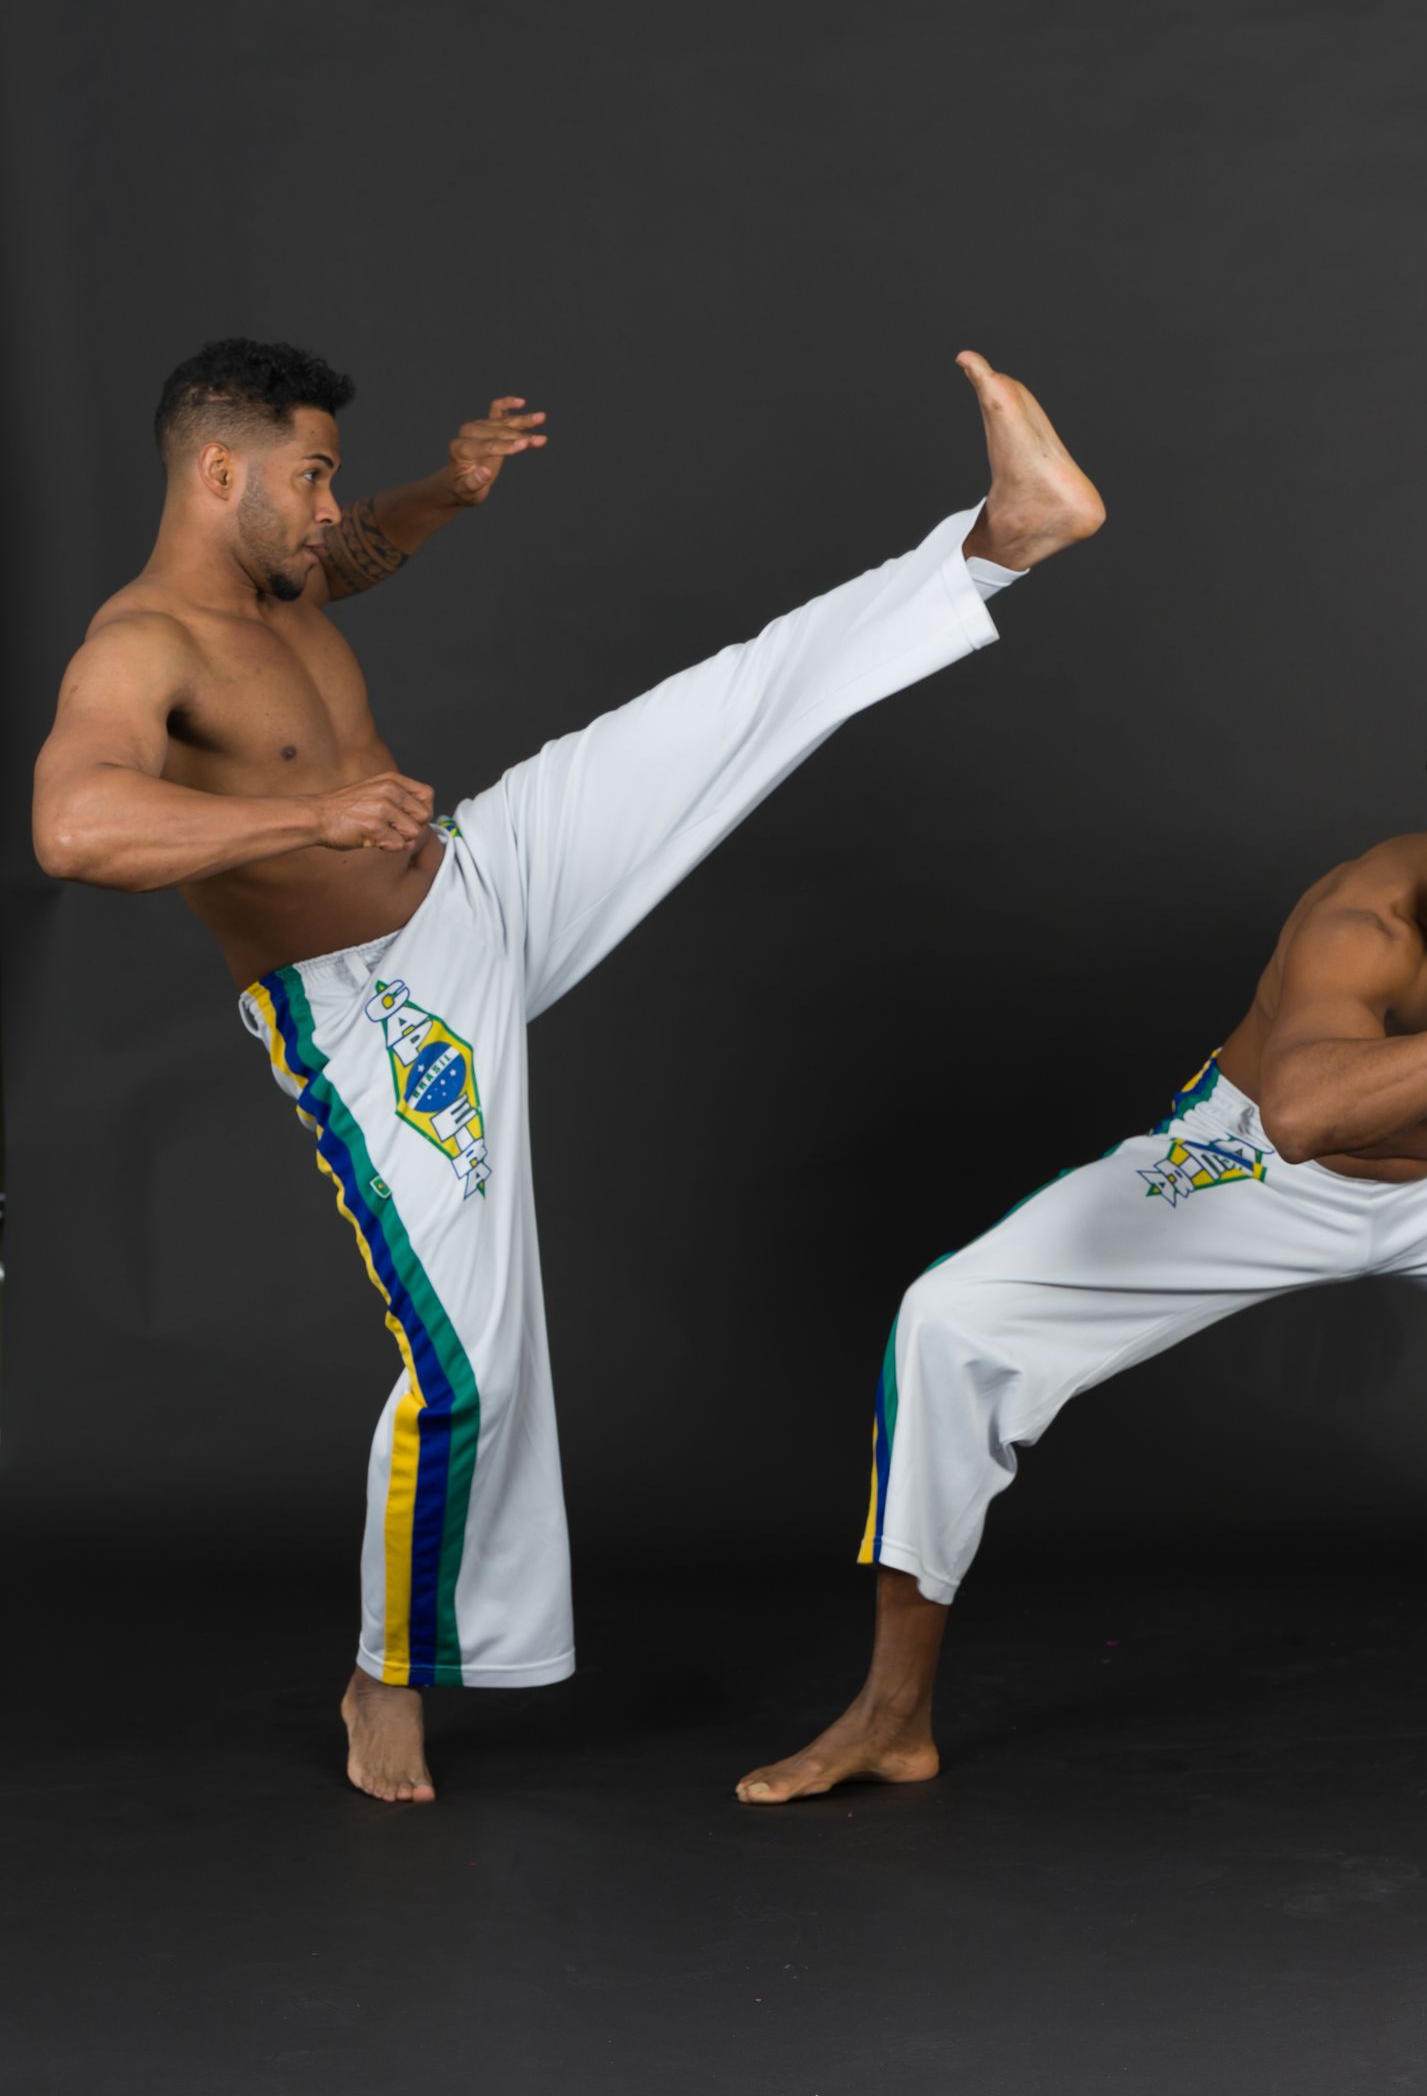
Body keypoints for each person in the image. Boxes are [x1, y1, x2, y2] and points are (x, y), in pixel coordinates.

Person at [32, 336, 1105, 1802]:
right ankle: (384, 1671)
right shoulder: (139, 641)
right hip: (380, 1013)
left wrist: (442, 493)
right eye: (311, 475)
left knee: (728, 706)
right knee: (468, 1367)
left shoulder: (282, 578)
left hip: (474, 881)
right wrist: (309, 823)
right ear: (217, 470)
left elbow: (350, 567)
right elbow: (76, 831)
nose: (328, 505)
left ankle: (1000, 542)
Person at [737, 657, 1427, 1803]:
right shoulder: (1365, 914)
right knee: (949, 1320)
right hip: (1244, 1162)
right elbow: (1301, 1115)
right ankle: (891, 1716)